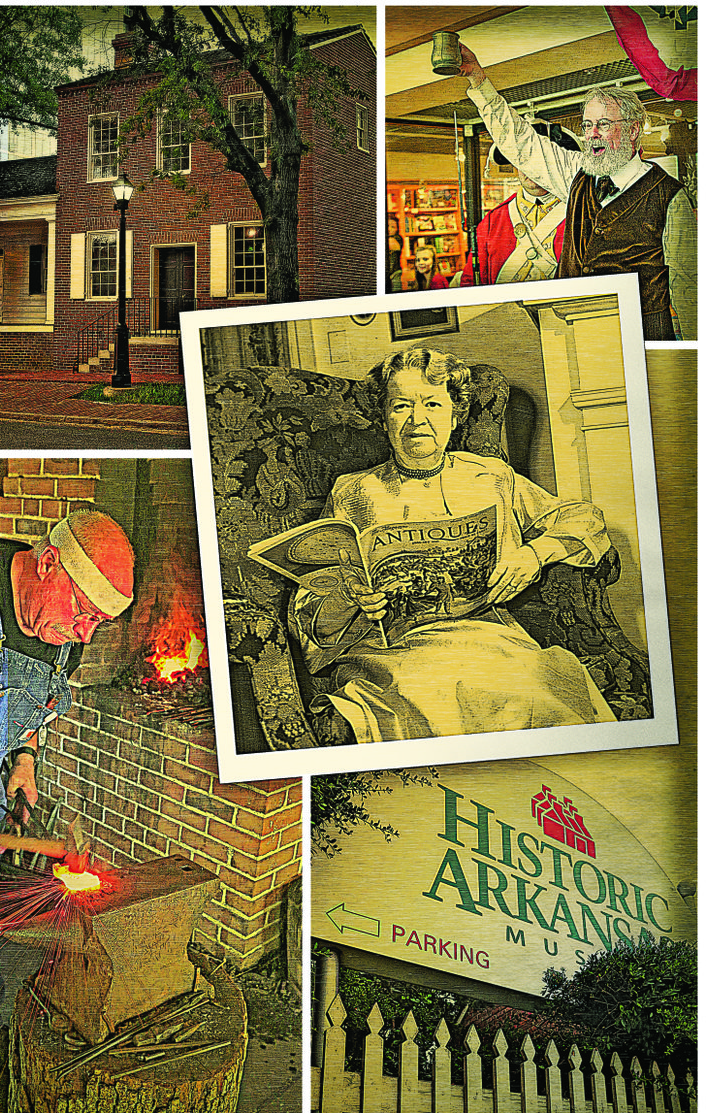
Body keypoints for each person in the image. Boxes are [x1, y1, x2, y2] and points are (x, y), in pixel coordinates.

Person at [0, 510, 134, 1110]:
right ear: (47, 564)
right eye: (85, 613)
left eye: (102, 623)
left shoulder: (59, 631)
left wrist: (24, 761)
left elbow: (31, 713)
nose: (87, 634)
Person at [290, 347, 617, 744]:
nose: (417, 420)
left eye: (432, 404)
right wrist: (350, 596)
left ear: (454, 414)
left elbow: (584, 518)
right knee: (427, 693)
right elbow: (311, 603)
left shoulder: (492, 476)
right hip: (393, 650)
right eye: (400, 406)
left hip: (491, 639)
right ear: (383, 417)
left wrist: (535, 553)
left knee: (537, 693)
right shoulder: (353, 491)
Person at [458, 42, 696, 340]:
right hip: (573, 337)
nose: (592, 134)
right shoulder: (576, 172)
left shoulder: (670, 197)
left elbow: (690, 290)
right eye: (587, 125)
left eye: (604, 124)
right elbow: (520, 142)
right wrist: (479, 81)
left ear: (634, 130)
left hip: (641, 338)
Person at [459, 124, 579, 286]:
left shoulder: (581, 212)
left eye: (541, 159)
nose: (530, 167)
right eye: (522, 159)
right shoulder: (492, 221)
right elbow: (472, 282)